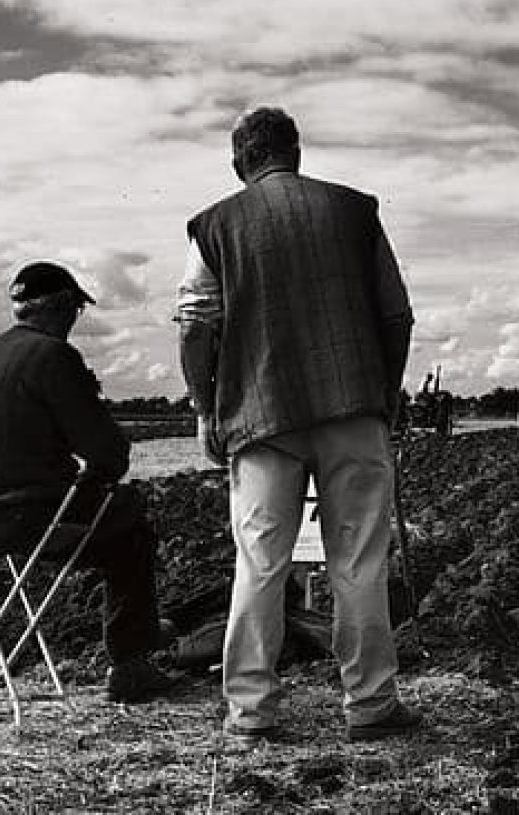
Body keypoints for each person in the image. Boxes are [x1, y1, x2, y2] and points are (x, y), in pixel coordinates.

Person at [176, 106, 419, 743]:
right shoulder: (355, 212)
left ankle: (250, 713)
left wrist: (206, 408)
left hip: (261, 418)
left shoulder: (215, 227)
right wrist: (382, 395)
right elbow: (397, 316)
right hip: (353, 412)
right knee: (359, 562)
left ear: (239, 163)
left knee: (259, 565)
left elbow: (197, 323)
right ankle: (370, 705)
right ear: (297, 152)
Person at [0, 262, 174, 703]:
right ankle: (130, 663)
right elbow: (109, 454)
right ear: (63, 307)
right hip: (32, 516)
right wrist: (97, 475)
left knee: (113, 518)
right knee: (130, 526)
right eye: (77, 309)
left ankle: (138, 638)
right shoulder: (53, 356)